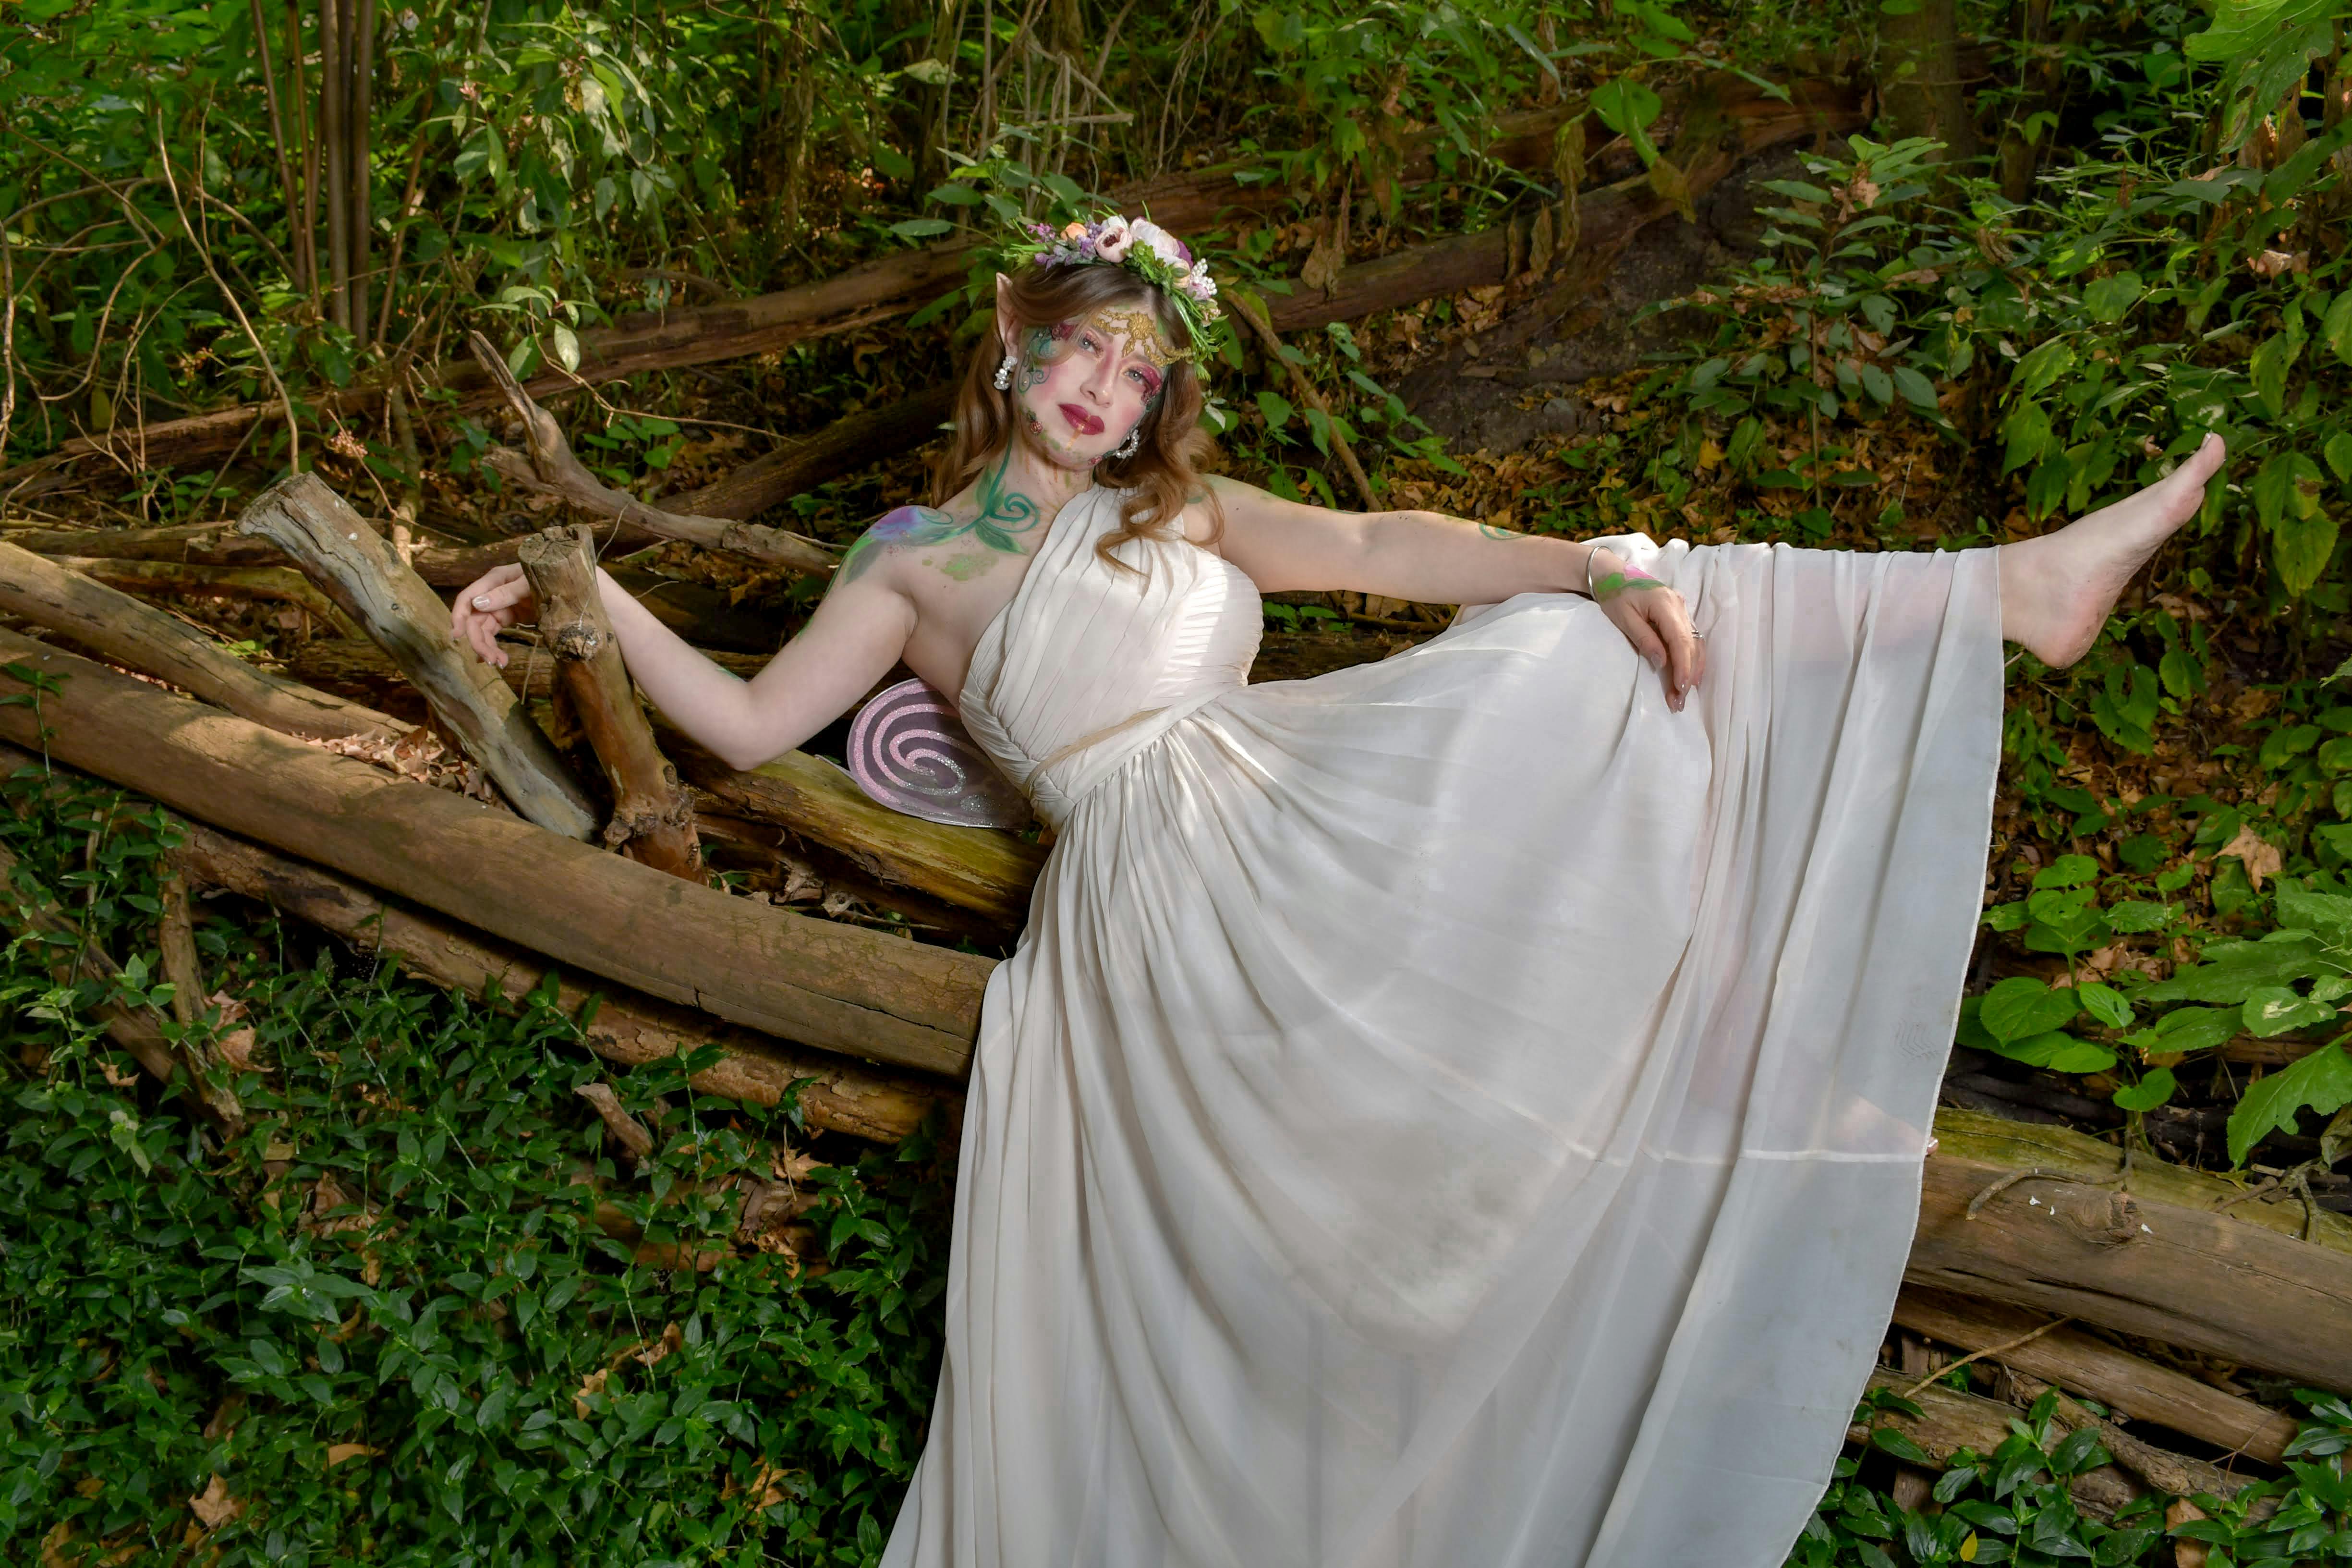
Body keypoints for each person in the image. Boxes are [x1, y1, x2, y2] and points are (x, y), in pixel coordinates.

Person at [454, 212, 2225, 1568]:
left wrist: (1593, 559)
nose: (1106, 392)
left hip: (1289, 812)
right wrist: (576, 588)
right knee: (1320, 1258)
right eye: (1086, 353)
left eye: (1140, 372)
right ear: (1015, 339)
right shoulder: (919, 561)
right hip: (1149, 906)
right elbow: (756, 725)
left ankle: (1998, 596)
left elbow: (1385, 554)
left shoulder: (1184, 512)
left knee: (1572, 638)